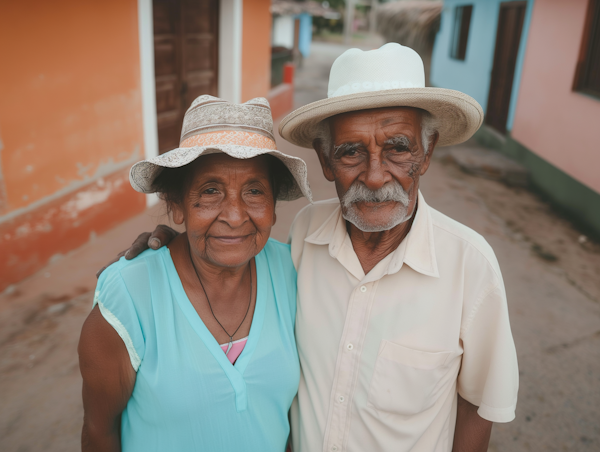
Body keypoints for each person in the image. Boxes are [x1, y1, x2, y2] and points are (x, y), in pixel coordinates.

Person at [112, 43, 519, 452]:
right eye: (351, 152)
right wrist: (172, 248)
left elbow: (477, 407)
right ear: (325, 160)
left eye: (397, 147)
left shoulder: (471, 266)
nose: (375, 176)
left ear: (426, 153)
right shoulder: (305, 235)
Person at [78, 95, 312, 452]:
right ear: (177, 205)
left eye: (254, 191)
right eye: (210, 191)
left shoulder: (291, 271)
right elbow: (99, 432)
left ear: (273, 207)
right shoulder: (129, 295)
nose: (235, 216)